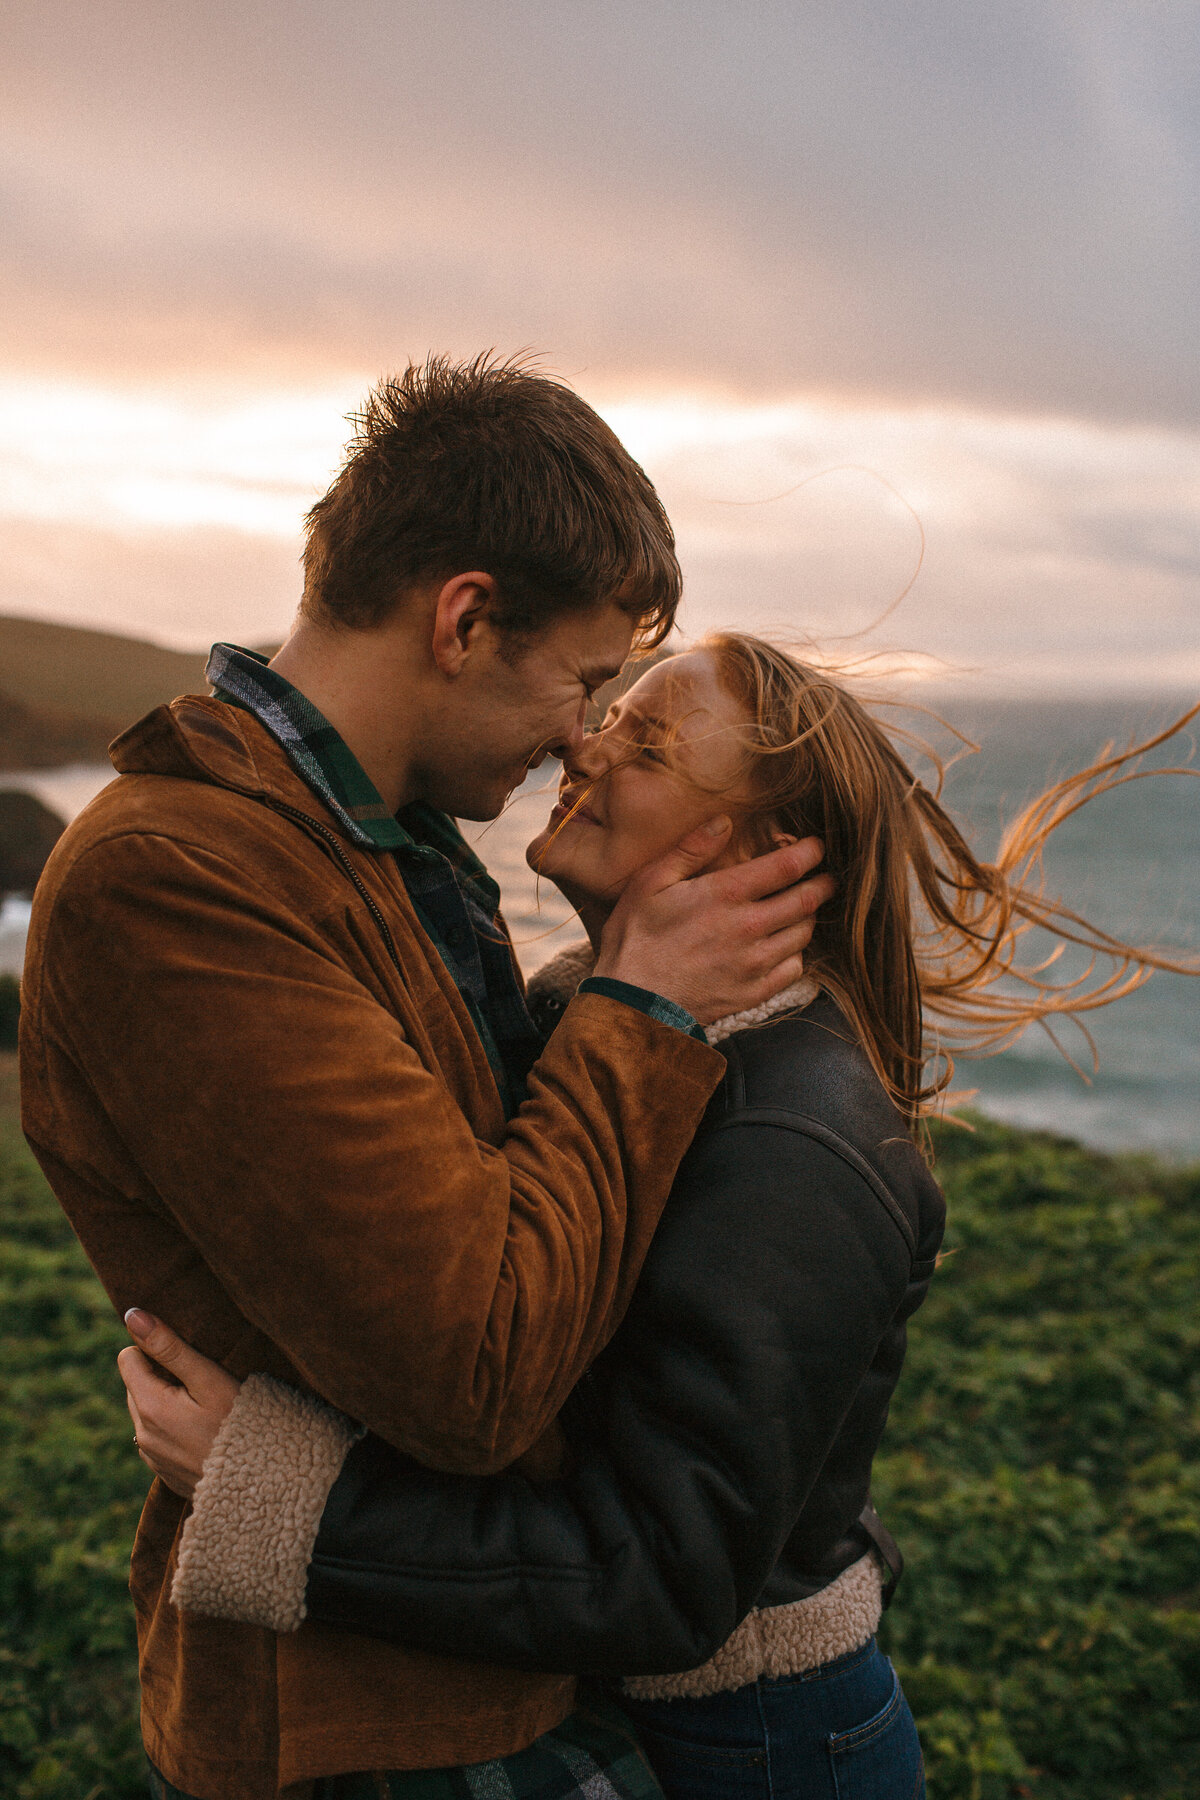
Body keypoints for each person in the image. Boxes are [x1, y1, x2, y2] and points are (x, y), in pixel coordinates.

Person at [124, 639, 1198, 1796]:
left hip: (760, 1744)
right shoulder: (586, 1016)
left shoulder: (797, 1140)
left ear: (757, 856)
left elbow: (662, 1575)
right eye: (611, 715)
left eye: (648, 743)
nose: (585, 745)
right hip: (641, 1711)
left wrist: (283, 1503)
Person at [19, 363, 834, 1800]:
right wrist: (641, 1001)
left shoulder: (375, 847)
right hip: (358, 1728)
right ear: (464, 618)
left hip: (467, 1674)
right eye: (584, 682)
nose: (585, 738)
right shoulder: (183, 878)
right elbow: (474, 1370)